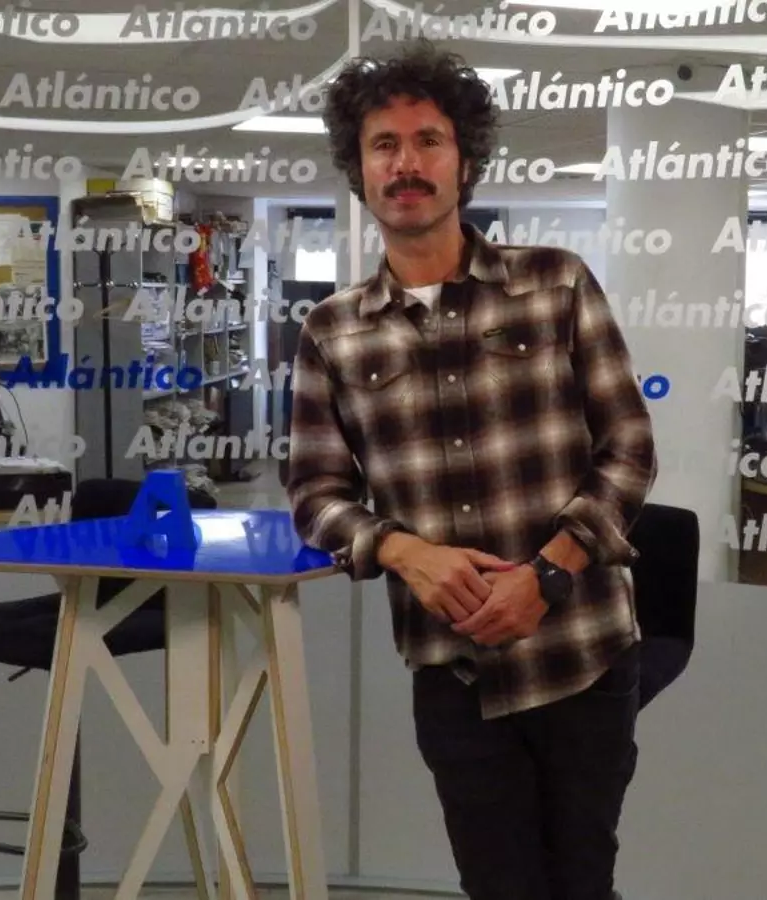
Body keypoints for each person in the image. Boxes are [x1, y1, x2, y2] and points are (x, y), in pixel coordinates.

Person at [285, 41, 657, 900]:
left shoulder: (555, 284)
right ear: (359, 169)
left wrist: (549, 574)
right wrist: (404, 551)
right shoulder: (333, 331)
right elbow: (314, 494)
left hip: (580, 651)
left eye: (428, 140)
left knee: (583, 882)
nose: (406, 163)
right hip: (453, 671)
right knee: (497, 885)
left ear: (465, 160)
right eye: (384, 144)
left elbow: (629, 446)